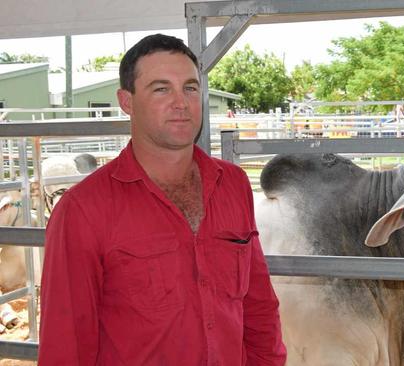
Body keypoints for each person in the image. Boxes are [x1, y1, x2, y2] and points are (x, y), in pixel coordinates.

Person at [38, 34, 287, 365]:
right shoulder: (83, 210)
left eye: (190, 87)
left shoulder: (233, 184)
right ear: (127, 101)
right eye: (161, 89)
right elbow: (66, 346)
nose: (181, 102)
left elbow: (258, 307)